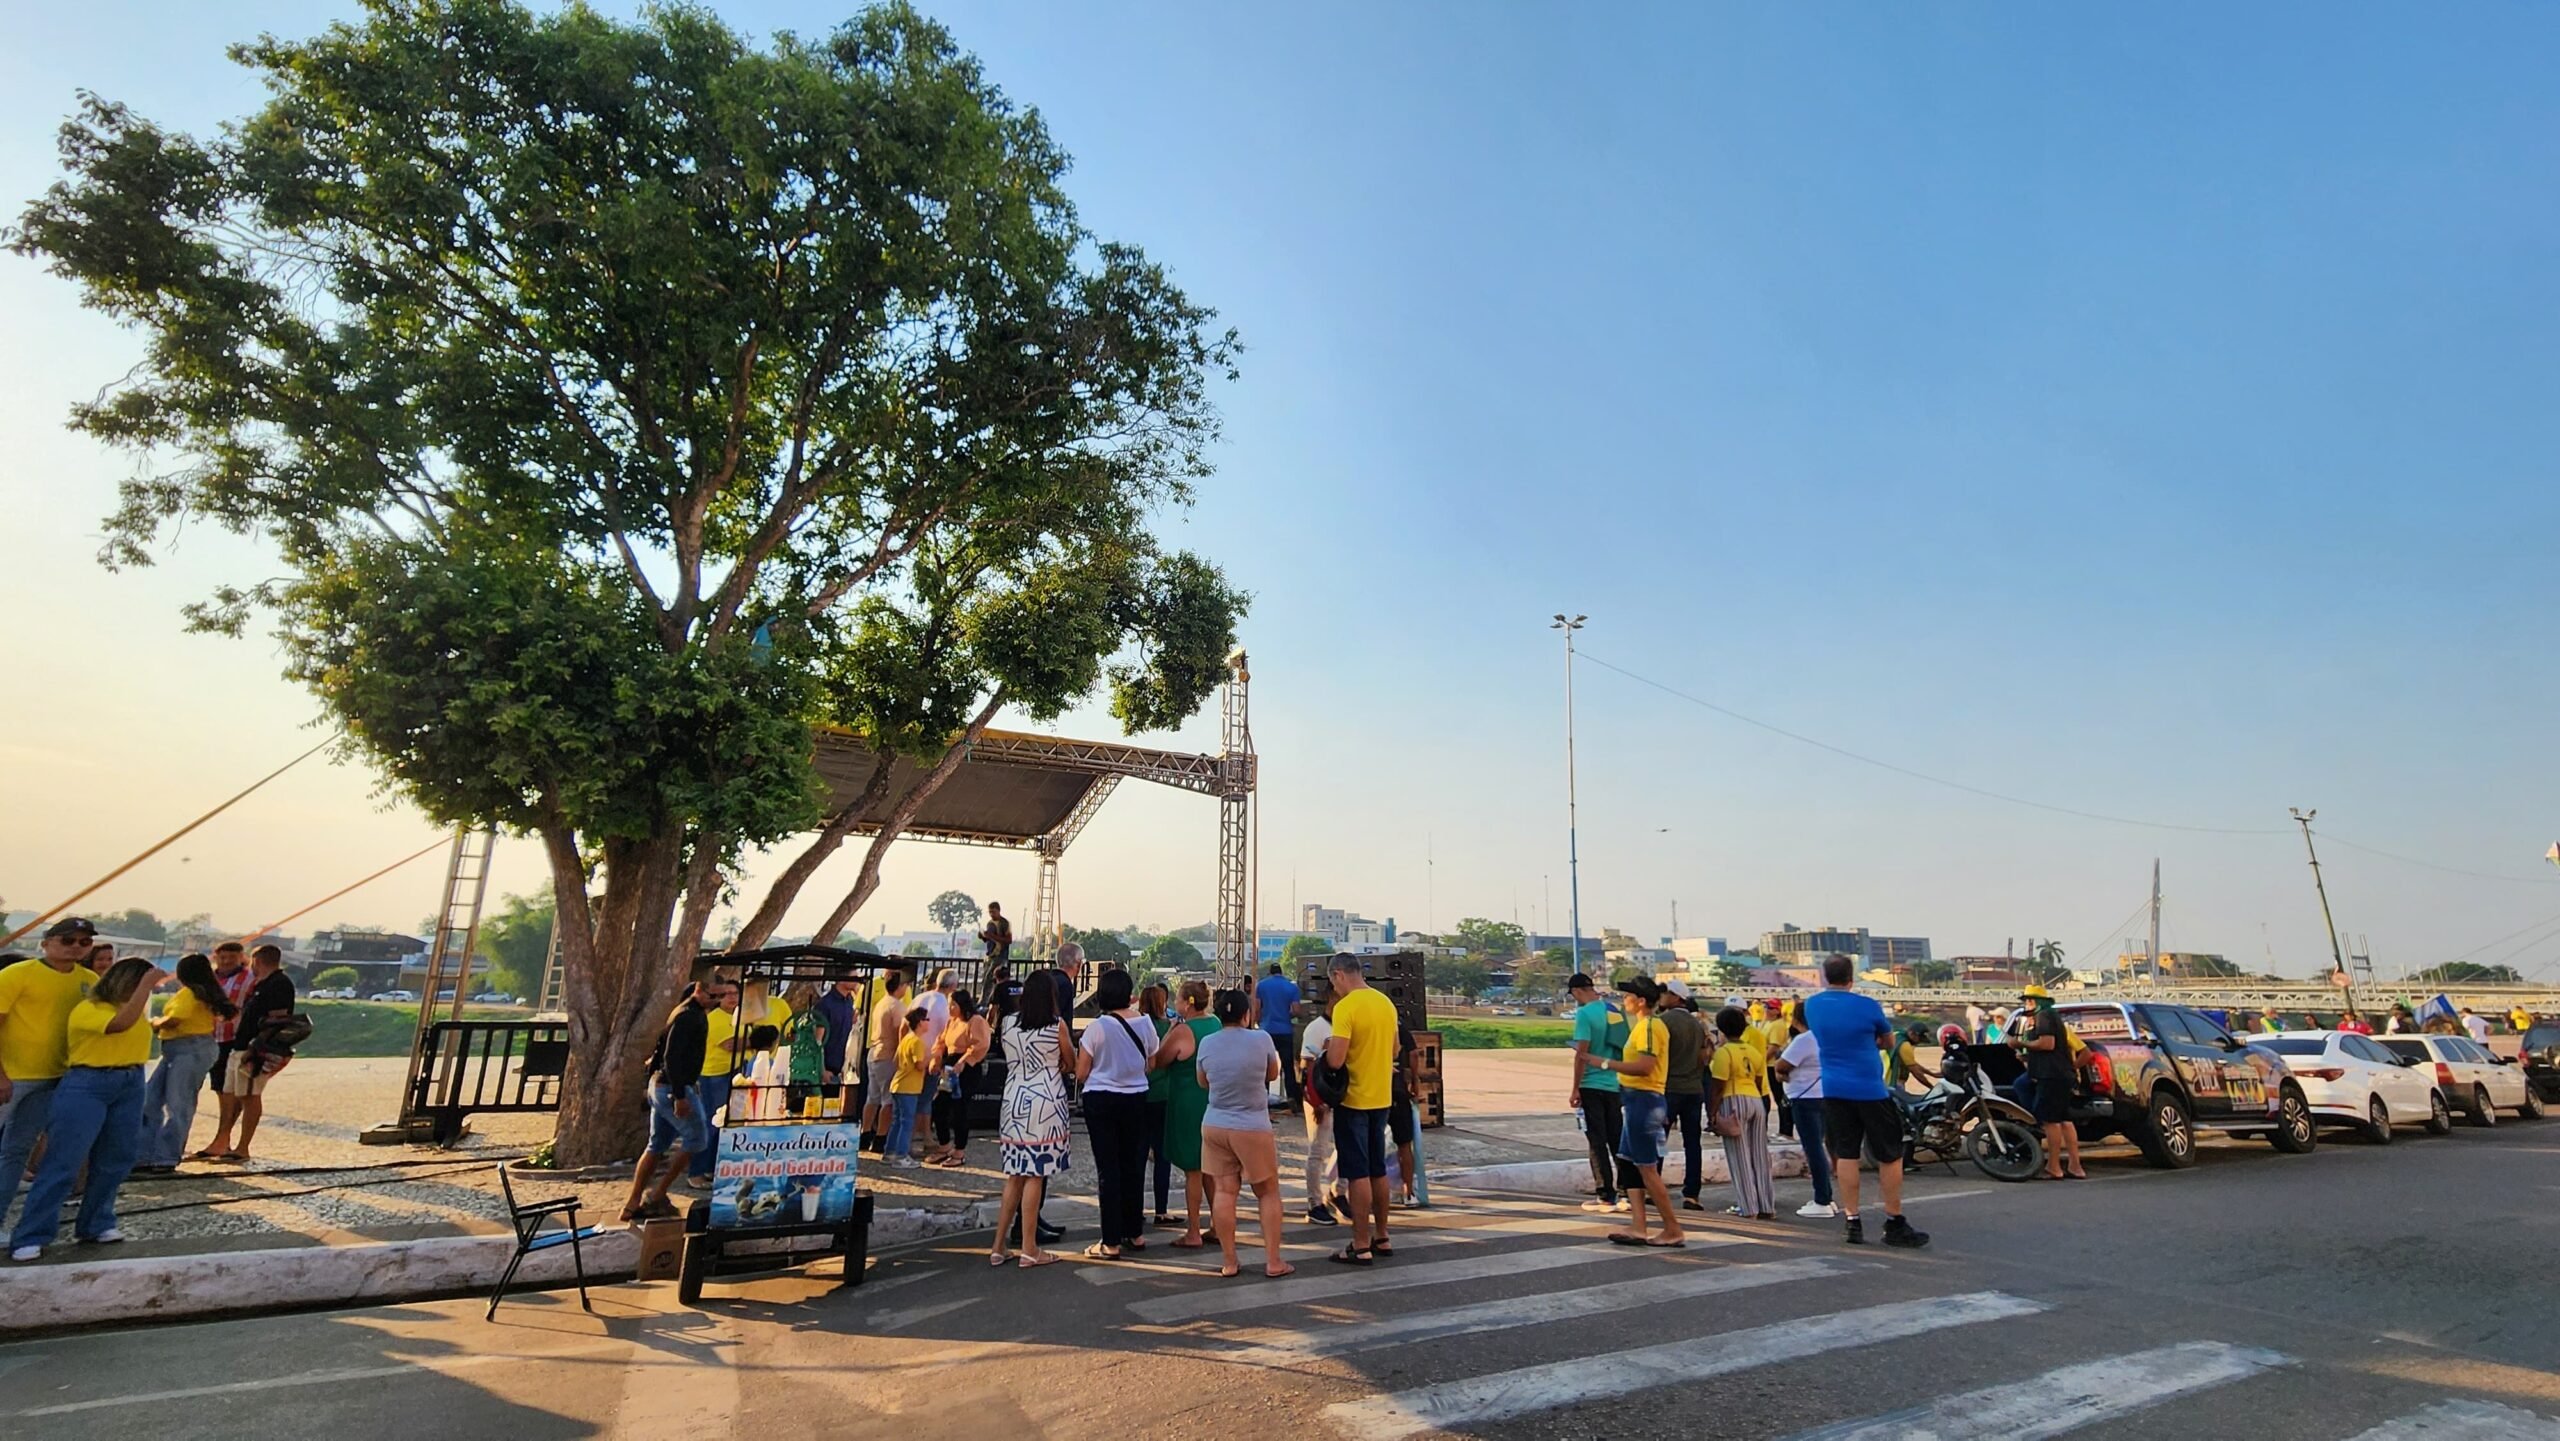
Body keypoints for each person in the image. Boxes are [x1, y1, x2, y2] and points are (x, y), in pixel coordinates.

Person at [10, 955, 166, 1260]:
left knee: (116, 1157)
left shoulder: (133, 1010)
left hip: (130, 1081)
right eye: (139, 984)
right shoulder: (90, 1009)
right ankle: (31, 1234)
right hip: (88, 1082)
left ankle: (96, 1222)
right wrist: (147, 985)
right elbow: (119, 1025)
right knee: (64, 1159)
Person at [1803, 956, 1929, 1249]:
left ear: (1825, 976)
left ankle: (1852, 1220)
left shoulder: (1812, 1005)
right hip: (1870, 1089)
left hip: (1834, 1089)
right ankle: (1894, 1220)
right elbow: (1888, 1041)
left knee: (1846, 1153)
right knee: (1890, 1154)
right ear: (1852, 977)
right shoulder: (1868, 1006)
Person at [0, 919, 99, 1225]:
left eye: (84, 942)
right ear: (45, 943)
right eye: (68, 940)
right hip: (12, 1076)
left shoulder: (90, 980)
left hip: (55, 1077)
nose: (76, 947)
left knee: (17, 1151)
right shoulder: (16, 974)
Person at [1196, 988, 1292, 1278]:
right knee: (1267, 1192)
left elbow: (1202, 1081)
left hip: (1215, 1123)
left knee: (1225, 1192)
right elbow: (1272, 1074)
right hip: (1252, 1125)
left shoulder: (1207, 1043)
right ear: (1246, 1015)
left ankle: (1229, 1261)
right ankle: (1273, 1261)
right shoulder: (1261, 1039)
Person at [1589, 979, 1683, 1247]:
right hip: (1634, 1100)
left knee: (1647, 1168)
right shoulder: (1643, 1026)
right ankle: (1638, 1225)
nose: (1624, 1000)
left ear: (1641, 1001)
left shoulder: (1651, 1026)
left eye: (1628, 995)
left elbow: (1645, 1066)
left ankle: (1672, 1228)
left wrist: (1605, 1063)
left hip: (1645, 1100)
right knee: (1630, 1165)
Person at [1321, 954, 1399, 1264]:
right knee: (1378, 1170)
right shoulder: (1385, 1003)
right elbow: (1395, 1048)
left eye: (1333, 982)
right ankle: (1383, 1235)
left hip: (1353, 1099)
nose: (1334, 988)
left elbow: (1336, 1060)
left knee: (1357, 1173)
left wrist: (1328, 1049)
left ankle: (1361, 1243)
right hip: (1381, 1097)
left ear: (1339, 975)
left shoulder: (1346, 1007)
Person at [1075, 968, 1158, 1260]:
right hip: (1136, 1097)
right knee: (1133, 1166)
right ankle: (1134, 1231)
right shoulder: (1145, 1023)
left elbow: (1081, 1072)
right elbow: (1152, 1062)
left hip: (1101, 1099)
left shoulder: (1097, 1028)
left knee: (1108, 1169)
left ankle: (1110, 1241)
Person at [992, 961, 1070, 1267]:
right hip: (1046, 1101)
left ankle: (998, 1245)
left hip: (1013, 1099)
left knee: (1015, 1175)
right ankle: (1029, 1247)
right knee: (1036, 1174)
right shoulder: (1056, 1025)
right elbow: (1071, 1061)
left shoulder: (1008, 1023)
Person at [625, 979, 720, 1222]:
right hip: (672, 1086)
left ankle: (634, 1201)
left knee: (657, 1143)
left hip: (664, 1084)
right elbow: (672, 1056)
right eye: (713, 996)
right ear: (698, 991)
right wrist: (679, 1095)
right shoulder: (687, 1016)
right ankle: (657, 1193)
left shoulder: (690, 1013)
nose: (716, 1001)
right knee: (697, 1138)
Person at [137, 953, 233, 1173]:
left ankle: (165, 1156)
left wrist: (153, 1023)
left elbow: (174, 1020)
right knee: (151, 1099)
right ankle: (145, 1153)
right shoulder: (197, 992)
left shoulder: (190, 994)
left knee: (178, 1103)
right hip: (178, 1049)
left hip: (189, 1047)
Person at [203, 944, 295, 1164]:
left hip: (255, 1049)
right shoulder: (264, 983)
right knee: (231, 1093)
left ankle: (242, 1147)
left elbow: (278, 1019)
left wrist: (256, 1048)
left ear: (257, 961)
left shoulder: (278, 984)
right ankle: (223, 1142)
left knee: (250, 1096)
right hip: (239, 1046)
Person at [1153, 980, 1220, 1248]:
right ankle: (1217, 1224)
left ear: (1187, 1003)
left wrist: (1170, 1031)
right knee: (1209, 1168)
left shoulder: (1184, 1030)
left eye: (1179, 999)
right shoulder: (1215, 1023)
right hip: (1210, 1099)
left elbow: (1159, 1059)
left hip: (1187, 1100)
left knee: (1193, 1169)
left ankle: (1193, 1230)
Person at [1566, 973, 1629, 1214]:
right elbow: (1622, 1047)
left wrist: (1575, 1087)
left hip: (1591, 1084)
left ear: (1577, 991)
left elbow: (1582, 1053)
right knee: (1617, 1139)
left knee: (1596, 1141)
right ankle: (1627, 1192)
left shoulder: (1584, 1014)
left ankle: (1605, 1195)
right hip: (1613, 1083)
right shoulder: (1613, 1010)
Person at [2013, 985, 2087, 1181]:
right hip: (2061, 1076)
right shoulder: (2052, 1017)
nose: (2027, 1004)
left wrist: (2021, 1043)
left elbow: (2047, 1044)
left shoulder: (2044, 1016)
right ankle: (2075, 1165)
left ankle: (2054, 1167)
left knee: (2050, 1121)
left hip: (2051, 1076)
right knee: (2064, 1120)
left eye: (2029, 1000)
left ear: (2037, 1002)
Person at [1708, 1006, 1774, 1219]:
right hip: (1755, 1099)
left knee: (1740, 1157)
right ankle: (1766, 1206)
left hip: (1733, 1099)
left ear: (1721, 1029)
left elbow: (1718, 1086)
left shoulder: (1724, 1052)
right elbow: (1759, 1080)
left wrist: (1712, 1113)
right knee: (1759, 1154)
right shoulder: (1754, 1052)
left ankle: (1747, 1207)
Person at [1773, 1009, 1836, 1217]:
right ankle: (1826, 1196)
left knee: (1813, 1148)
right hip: (1823, 1095)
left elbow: (1782, 1065)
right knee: (1819, 1145)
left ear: (1796, 1019)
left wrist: (1779, 1074)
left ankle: (1822, 1199)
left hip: (1804, 1098)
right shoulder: (1825, 1037)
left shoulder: (1804, 1040)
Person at [1656, 980, 1709, 1212]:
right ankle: (1692, 1194)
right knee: (1692, 1143)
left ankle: (1653, 1188)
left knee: (1659, 1140)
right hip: (1693, 1089)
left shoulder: (1663, 1022)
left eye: (1666, 993)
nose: (1662, 996)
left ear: (1677, 997)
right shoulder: (1698, 1025)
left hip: (1670, 1087)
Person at [685, 981, 743, 1189]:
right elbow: (730, 1045)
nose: (732, 997)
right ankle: (696, 1171)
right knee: (711, 1123)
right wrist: (754, 1040)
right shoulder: (715, 1018)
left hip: (735, 1071)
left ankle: (711, 1167)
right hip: (714, 1074)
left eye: (735, 993)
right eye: (726, 994)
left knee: (725, 1124)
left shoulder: (740, 1016)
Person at [927, 991, 988, 1167]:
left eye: (953, 1005)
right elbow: (941, 1042)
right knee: (939, 1105)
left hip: (967, 1069)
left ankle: (959, 1150)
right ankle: (944, 1145)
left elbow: (980, 1044)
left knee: (960, 1108)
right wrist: (936, 1058)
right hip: (950, 1067)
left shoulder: (975, 1021)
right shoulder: (951, 1021)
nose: (950, 1008)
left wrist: (965, 1061)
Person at [1298, 989, 1341, 1225]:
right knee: (1317, 1150)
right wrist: (1315, 1101)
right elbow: (1305, 1067)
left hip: (1340, 1096)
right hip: (1320, 1099)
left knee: (1346, 1146)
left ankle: (1339, 1192)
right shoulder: (1316, 1028)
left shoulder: (1344, 1026)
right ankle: (1314, 1203)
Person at [1137, 982, 1177, 1225]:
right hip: (1164, 1094)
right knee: (1163, 1157)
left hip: (1140, 1093)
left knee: (1138, 1155)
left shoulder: (1136, 1026)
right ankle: (1161, 1210)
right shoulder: (1168, 1027)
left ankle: (1135, 1208)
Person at [861, 970, 911, 1149]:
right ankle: (881, 1138)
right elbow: (901, 1032)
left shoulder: (881, 1003)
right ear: (901, 986)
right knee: (888, 1100)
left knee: (872, 1097)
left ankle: (865, 1133)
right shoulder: (897, 1007)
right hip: (888, 1055)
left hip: (874, 1051)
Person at [880, 1004, 929, 1167]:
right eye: (927, 1019)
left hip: (898, 1084)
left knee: (897, 1121)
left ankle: (889, 1152)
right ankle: (901, 1156)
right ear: (920, 1022)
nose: (929, 1022)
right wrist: (930, 1058)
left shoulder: (906, 1039)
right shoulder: (917, 1041)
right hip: (909, 1087)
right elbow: (919, 1065)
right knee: (907, 1122)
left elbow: (896, 1060)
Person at [1253, 963, 1303, 1106]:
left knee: (1264, 1066)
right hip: (1285, 1030)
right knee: (1288, 1066)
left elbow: (1257, 1009)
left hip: (1266, 1030)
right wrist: (1287, 1015)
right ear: (1281, 973)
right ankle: (1292, 1098)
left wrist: (1258, 1022)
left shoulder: (1261, 985)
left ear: (1270, 973)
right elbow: (1296, 1010)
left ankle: (1263, 1098)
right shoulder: (1292, 987)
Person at [1389, 1022, 1423, 1207]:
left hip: (1374, 1093)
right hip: (1399, 1090)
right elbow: (1413, 1053)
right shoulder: (1399, 1028)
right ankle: (1408, 1191)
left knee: (1372, 1144)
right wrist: (1415, 1081)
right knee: (1404, 1144)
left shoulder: (1370, 1025)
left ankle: (1372, 1190)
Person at [816, 978, 858, 1105]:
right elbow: (817, 1040)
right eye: (854, 977)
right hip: (829, 1067)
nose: (857, 981)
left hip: (845, 1067)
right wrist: (822, 1069)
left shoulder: (851, 1001)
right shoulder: (825, 1004)